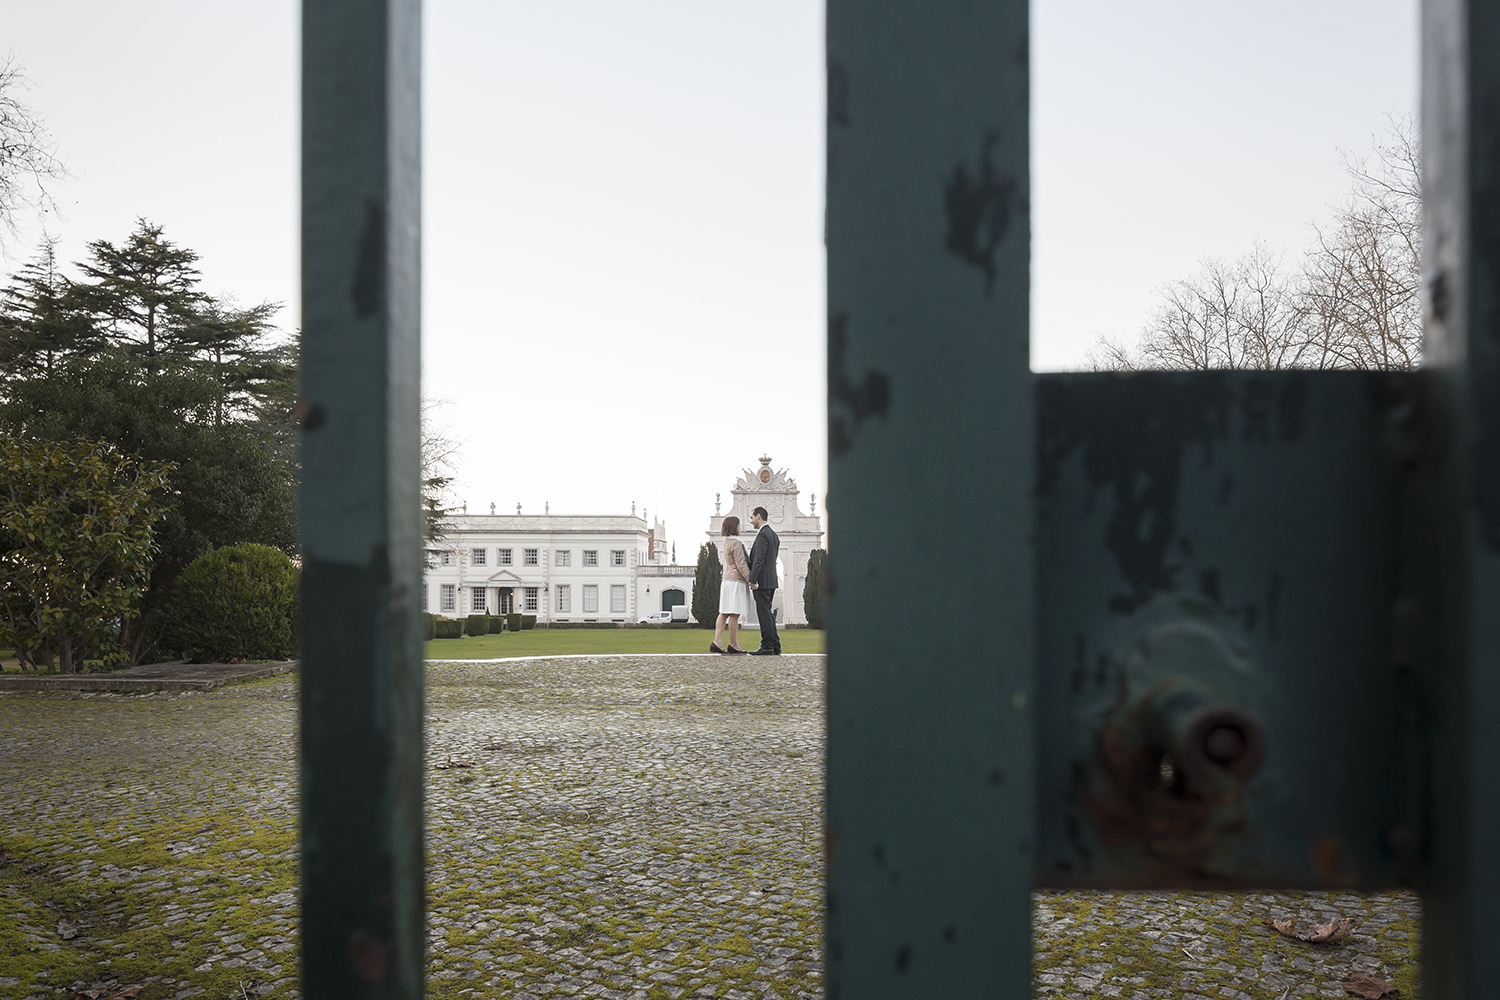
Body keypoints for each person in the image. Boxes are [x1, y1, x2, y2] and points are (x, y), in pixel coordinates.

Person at [710, 515, 752, 654]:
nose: (741, 528)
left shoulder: (727, 542)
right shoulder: (736, 543)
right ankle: (733, 644)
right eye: (739, 525)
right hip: (736, 581)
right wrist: (751, 580)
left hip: (727, 580)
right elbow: (741, 564)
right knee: (734, 614)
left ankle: (717, 642)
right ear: (735, 527)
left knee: (724, 613)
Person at [747, 506, 782, 655]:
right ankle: (775, 645)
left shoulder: (762, 535)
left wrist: (752, 579)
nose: (751, 520)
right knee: (768, 612)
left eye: (752, 517)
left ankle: (767, 645)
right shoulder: (774, 535)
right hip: (771, 580)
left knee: (764, 613)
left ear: (759, 516)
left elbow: (759, 560)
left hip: (761, 581)